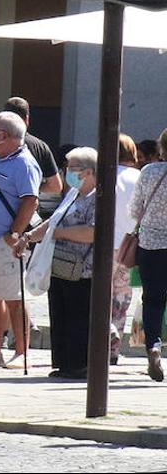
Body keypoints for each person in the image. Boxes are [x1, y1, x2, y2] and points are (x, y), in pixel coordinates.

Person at [0, 97, 60, 349]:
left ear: (4, 135)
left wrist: (15, 232)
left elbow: (31, 200)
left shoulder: (24, 161)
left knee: (14, 298)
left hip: (5, 241)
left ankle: (20, 350)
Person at [23, 147, 98, 379]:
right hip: (59, 265)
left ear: (89, 172)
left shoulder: (98, 197)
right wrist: (28, 237)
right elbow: (53, 222)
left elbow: (92, 232)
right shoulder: (73, 193)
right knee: (60, 313)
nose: (68, 173)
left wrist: (58, 234)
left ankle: (78, 364)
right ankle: (63, 363)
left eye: (73, 169)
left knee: (78, 316)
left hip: (83, 269)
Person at [128, 129, 167, 382]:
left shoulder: (149, 172)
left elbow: (135, 209)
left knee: (152, 299)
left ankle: (153, 345)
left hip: (151, 245)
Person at [111, 134, 143, 364]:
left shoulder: (103, 175)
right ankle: (112, 348)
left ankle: (102, 331)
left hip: (101, 246)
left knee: (99, 295)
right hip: (129, 248)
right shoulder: (139, 178)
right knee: (121, 299)